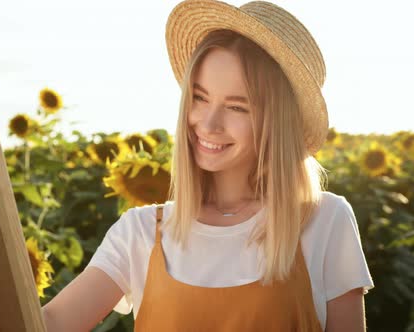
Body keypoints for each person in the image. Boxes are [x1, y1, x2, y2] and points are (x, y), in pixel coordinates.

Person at [41, 0, 375, 331]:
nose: (208, 123)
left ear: (277, 123)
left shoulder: (325, 221)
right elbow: (50, 324)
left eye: (237, 107)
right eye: (200, 98)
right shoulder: (139, 232)